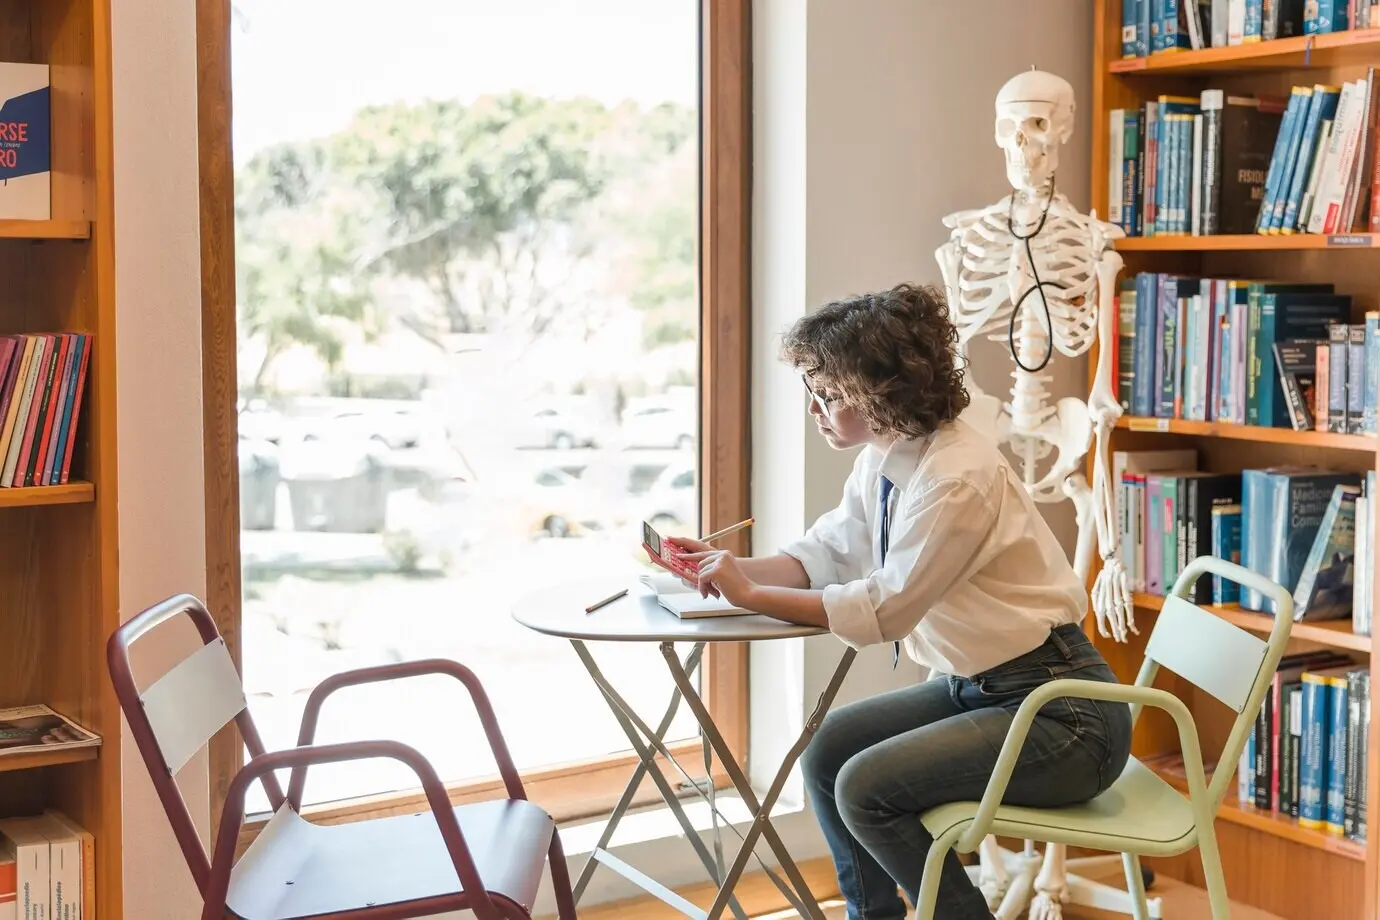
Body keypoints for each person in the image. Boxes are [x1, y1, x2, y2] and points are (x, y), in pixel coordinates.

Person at [670, 282, 1133, 920]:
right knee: (828, 750)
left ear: (882, 394)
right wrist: (726, 568)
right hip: (988, 687)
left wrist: (751, 593)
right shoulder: (891, 453)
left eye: (829, 395)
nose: (815, 408)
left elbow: (887, 610)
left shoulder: (955, 477)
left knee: (865, 788)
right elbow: (829, 551)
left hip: (1065, 715)